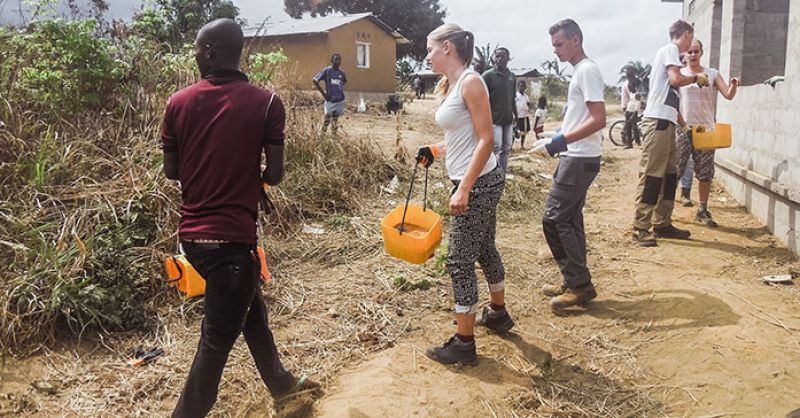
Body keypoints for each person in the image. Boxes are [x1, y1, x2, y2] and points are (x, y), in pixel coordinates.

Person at [163, 19, 319, 417]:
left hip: (193, 241)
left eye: (197, 49)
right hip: (232, 246)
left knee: (249, 308)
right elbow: (276, 175)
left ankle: (281, 384)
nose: (195, 55)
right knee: (215, 343)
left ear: (211, 51)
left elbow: (173, 171)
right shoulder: (267, 103)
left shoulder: (177, 103)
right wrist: (250, 178)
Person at [415, 22, 512, 365]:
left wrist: (465, 189)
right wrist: (437, 149)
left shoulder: (471, 81)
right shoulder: (455, 83)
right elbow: (465, 137)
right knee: (485, 248)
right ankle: (497, 314)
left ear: (447, 48)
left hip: (478, 183)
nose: (426, 55)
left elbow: (488, 139)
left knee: (458, 261)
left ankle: (464, 343)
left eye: (429, 49)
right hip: (479, 180)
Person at [531, 19, 606, 312]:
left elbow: (599, 119)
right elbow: (583, 118)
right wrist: (558, 134)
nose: (556, 51)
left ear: (576, 40)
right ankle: (575, 280)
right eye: (553, 46)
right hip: (578, 156)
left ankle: (579, 285)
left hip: (578, 158)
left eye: (559, 44)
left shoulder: (587, 70)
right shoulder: (581, 72)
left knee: (554, 219)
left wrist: (560, 143)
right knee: (570, 220)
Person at [631, 20, 708, 247]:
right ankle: (640, 227)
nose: (688, 49)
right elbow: (676, 79)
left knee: (670, 175)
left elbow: (671, 97)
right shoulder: (670, 50)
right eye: (689, 40)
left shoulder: (672, 54)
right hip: (657, 123)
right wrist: (696, 78)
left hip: (668, 123)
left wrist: (685, 128)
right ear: (686, 34)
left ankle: (662, 222)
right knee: (653, 175)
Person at [676, 39, 739, 227]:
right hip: (684, 128)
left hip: (706, 130)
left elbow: (727, 94)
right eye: (690, 52)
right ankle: (665, 211)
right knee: (676, 169)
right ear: (684, 55)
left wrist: (734, 84)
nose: (693, 55)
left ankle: (702, 210)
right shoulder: (679, 76)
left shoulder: (712, 74)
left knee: (705, 173)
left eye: (696, 51)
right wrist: (683, 124)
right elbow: (673, 103)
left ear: (701, 53)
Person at [482, 47, 517, 172]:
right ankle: (488, 171)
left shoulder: (512, 77)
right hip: (493, 119)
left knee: (507, 147)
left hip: (507, 119)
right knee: (495, 146)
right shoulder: (488, 76)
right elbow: (481, 99)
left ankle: (501, 173)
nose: (499, 59)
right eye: (497, 56)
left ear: (508, 58)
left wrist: (516, 117)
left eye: (502, 56)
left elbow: (513, 98)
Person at [313, 53, 347, 133]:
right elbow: (314, 81)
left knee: (335, 121)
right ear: (332, 61)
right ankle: (322, 136)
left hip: (339, 100)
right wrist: (324, 94)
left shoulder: (341, 73)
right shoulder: (327, 71)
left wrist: (338, 90)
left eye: (339, 59)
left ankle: (334, 138)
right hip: (330, 100)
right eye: (336, 59)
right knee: (327, 119)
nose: (338, 61)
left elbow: (344, 81)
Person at [621, 69, 641, 148]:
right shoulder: (638, 84)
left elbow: (624, 98)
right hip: (633, 108)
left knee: (630, 126)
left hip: (631, 108)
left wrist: (624, 108)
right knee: (633, 126)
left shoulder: (626, 84)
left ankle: (631, 143)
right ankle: (637, 142)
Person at [514, 80, 531, 149]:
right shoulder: (516, 96)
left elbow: (528, 104)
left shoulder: (526, 97)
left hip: (524, 116)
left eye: (524, 86)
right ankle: (511, 146)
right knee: (514, 131)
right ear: (518, 87)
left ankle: (522, 145)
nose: (522, 88)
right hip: (517, 116)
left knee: (523, 132)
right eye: (521, 86)